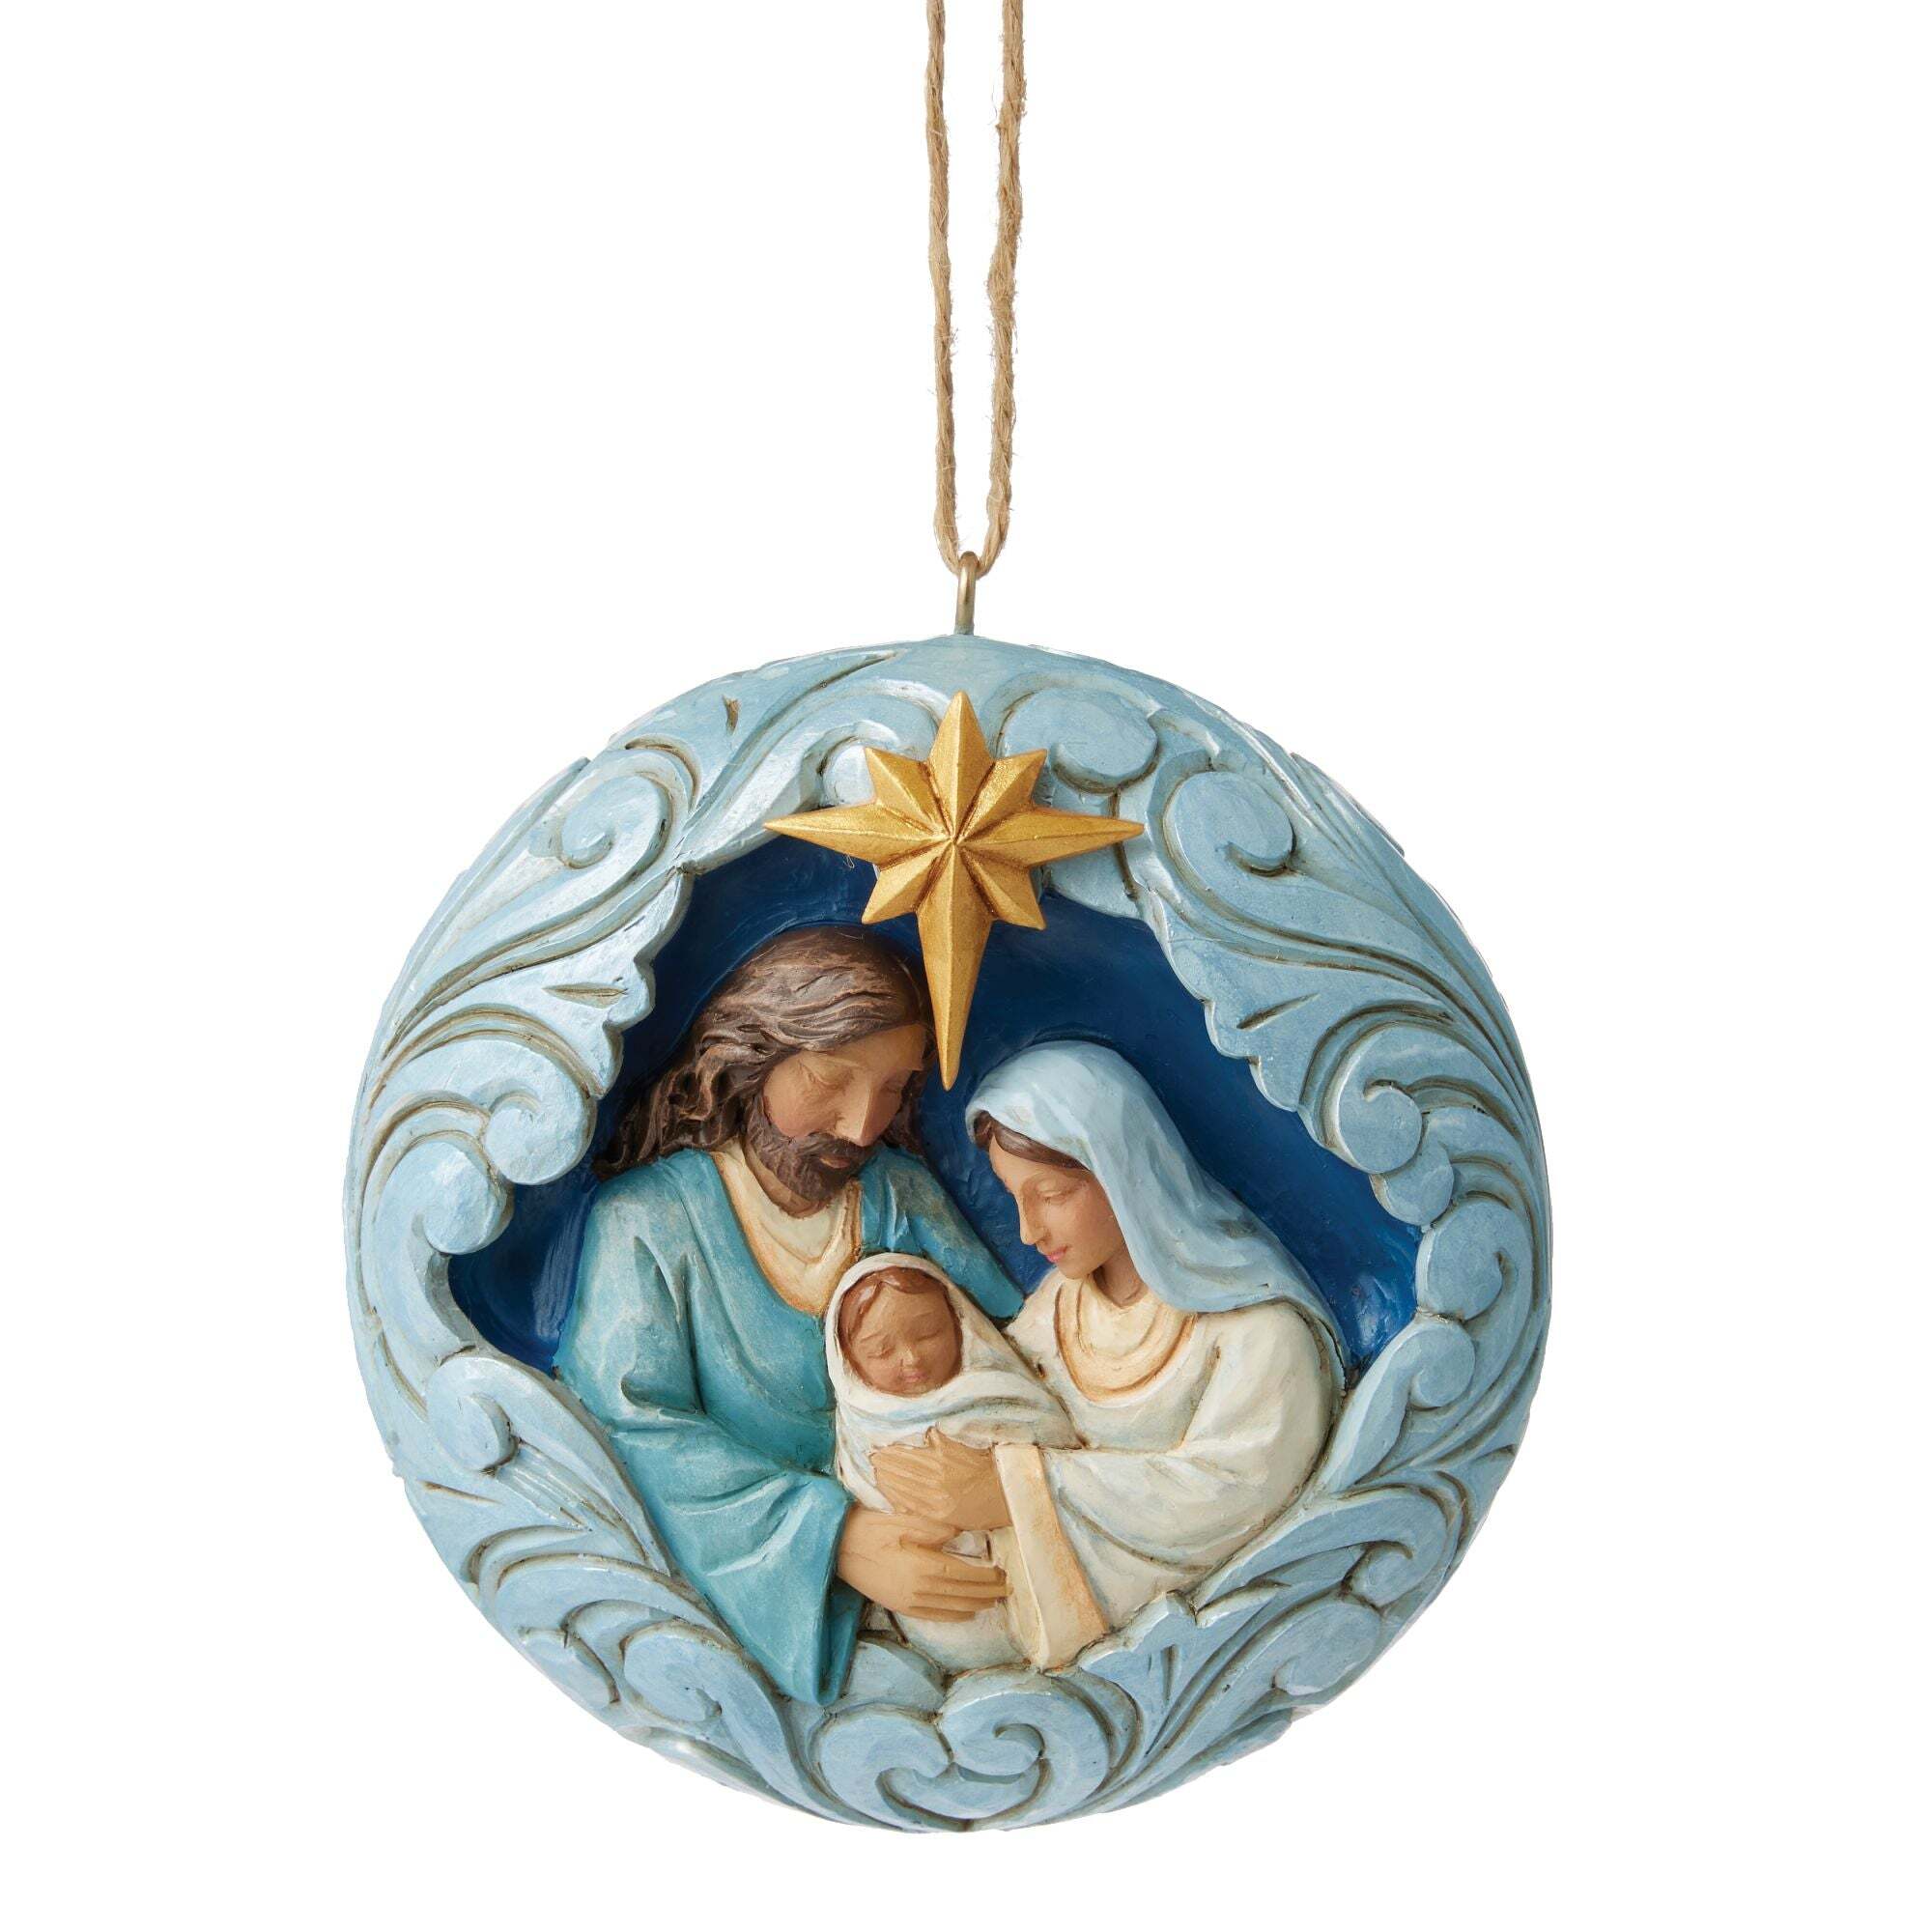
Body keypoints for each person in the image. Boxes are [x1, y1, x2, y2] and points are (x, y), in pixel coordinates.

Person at [553, 927, 1021, 1705]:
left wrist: (1008, 1481)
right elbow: (630, 1430)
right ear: (750, 1059)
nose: (861, 1127)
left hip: (960, 1556)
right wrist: (835, 1540)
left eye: (894, 1089)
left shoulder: (900, 1195)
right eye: (831, 1082)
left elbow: (1015, 1347)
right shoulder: (649, 1224)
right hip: (777, 1600)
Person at [874, 1039, 1342, 1666]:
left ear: (1126, 1174)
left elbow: (1236, 1498)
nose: (1028, 1231)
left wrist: (1016, 1489)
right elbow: (991, 1402)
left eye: (1051, 1195)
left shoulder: (1257, 1331)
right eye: (1015, 1197)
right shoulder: (1061, 1305)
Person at [827, 1253, 1081, 1671]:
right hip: (921, 1615)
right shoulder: (860, 1425)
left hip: (1023, 1597)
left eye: (928, 1334)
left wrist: (1003, 1486)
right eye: (881, 1350)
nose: (911, 1359)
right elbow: (864, 1494)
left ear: (959, 1323)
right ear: (849, 1361)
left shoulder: (1001, 1396)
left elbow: (1061, 1455)